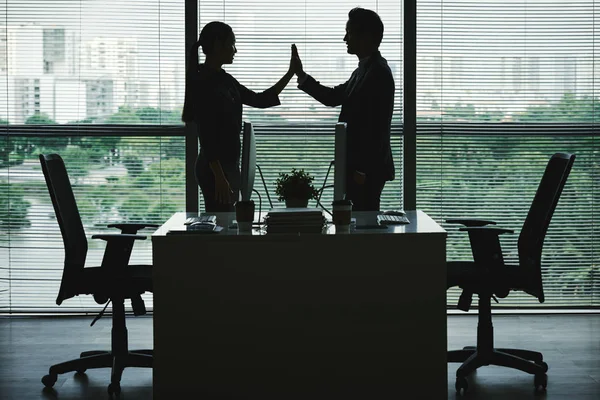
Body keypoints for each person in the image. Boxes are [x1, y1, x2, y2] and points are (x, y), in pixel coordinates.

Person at [182, 21, 295, 212]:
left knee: (226, 222)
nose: (235, 50)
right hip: (215, 169)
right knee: (222, 223)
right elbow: (206, 135)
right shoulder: (205, 83)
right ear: (218, 45)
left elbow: (259, 99)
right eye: (232, 44)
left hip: (226, 166)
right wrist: (219, 176)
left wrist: (290, 73)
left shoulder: (224, 79)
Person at [291, 7, 395, 211]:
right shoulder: (364, 70)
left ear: (365, 36)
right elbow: (332, 97)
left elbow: (377, 126)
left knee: (362, 228)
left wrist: (362, 170)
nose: (344, 38)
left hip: (364, 172)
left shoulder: (378, 73)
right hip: (358, 170)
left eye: (349, 32)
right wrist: (301, 75)